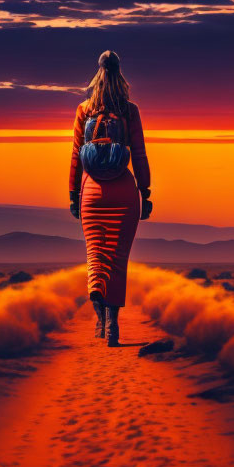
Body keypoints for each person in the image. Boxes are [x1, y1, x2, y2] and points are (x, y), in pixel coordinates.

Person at [68, 50, 152, 346]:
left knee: (96, 255)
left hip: (91, 193)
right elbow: (139, 154)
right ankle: (113, 325)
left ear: (97, 74)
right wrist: (146, 191)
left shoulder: (84, 110)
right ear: (121, 74)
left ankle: (99, 314)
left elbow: (76, 158)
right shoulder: (130, 111)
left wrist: (72, 195)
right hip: (125, 193)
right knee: (118, 260)